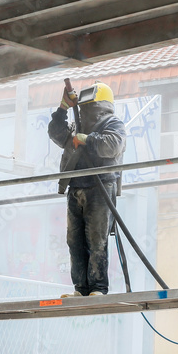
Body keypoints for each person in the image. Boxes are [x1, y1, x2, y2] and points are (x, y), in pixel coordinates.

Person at [48, 81, 126, 297]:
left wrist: (89, 139)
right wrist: (63, 108)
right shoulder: (76, 127)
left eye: (89, 107)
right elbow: (56, 133)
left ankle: (98, 288)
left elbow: (113, 145)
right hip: (76, 187)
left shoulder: (112, 124)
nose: (85, 112)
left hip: (100, 187)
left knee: (96, 240)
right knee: (74, 241)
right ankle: (80, 289)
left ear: (99, 105)